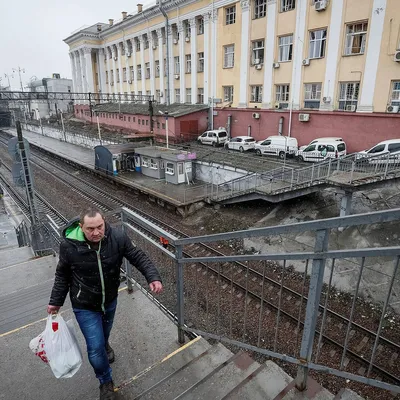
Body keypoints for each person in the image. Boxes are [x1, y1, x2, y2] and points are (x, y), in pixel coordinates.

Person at [47, 208, 163, 400]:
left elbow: (137, 256)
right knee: (95, 346)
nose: (96, 233)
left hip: (109, 300)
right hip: (84, 304)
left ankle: (105, 344)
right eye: (90, 229)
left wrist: (153, 277)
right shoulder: (69, 245)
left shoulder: (117, 237)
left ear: (104, 223)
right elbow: (63, 275)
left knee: (103, 336)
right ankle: (105, 381)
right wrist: (55, 301)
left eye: (99, 227)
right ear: (81, 227)